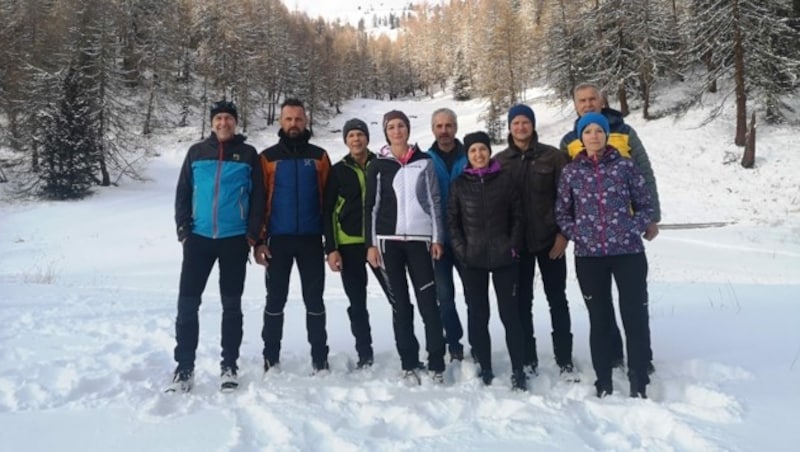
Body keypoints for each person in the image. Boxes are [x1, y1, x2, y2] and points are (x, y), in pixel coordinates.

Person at [559, 82, 659, 373]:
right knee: (601, 308)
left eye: (593, 99)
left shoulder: (626, 132)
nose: (588, 104)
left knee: (633, 305)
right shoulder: (569, 140)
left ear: (602, 102)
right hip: (592, 238)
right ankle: (613, 355)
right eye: (582, 101)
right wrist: (573, 231)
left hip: (626, 234)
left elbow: (644, 172)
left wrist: (651, 216)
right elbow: (564, 188)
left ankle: (642, 360)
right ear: (576, 106)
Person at [170, 100, 265, 393]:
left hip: (234, 240)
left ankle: (229, 365)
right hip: (198, 240)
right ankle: (184, 367)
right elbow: (183, 192)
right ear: (212, 122)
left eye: (228, 118)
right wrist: (184, 229)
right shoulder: (196, 152)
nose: (223, 123)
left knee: (231, 306)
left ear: (236, 122)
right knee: (187, 305)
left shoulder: (249, 155)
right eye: (219, 118)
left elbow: (259, 197)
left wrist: (251, 235)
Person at [365, 110, 447, 384]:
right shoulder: (378, 165)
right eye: (392, 127)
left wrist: (437, 238)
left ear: (408, 130)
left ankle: (436, 363)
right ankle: (409, 362)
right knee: (401, 305)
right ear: (386, 132)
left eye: (401, 126)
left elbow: (435, 201)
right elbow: (372, 207)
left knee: (428, 303)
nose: (397, 131)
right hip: (389, 243)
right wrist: (371, 244)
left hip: (420, 241)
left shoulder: (424, 162)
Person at [494, 104, 576, 378]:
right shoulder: (500, 162)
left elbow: (568, 199)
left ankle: (564, 358)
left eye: (525, 122)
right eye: (515, 122)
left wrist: (564, 235)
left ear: (533, 125)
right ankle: (528, 358)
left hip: (550, 242)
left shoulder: (553, 157)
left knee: (557, 300)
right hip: (518, 248)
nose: (520, 127)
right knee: (522, 304)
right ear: (509, 127)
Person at [254, 98, 331, 374]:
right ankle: (270, 357)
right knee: (275, 300)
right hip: (278, 241)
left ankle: (320, 358)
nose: (294, 124)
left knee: (315, 300)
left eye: (298, 119)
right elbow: (260, 201)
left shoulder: (320, 156)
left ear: (306, 121)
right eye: (288, 119)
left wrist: (330, 243)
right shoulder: (268, 158)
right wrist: (259, 240)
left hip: (311, 240)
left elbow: (328, 202)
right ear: (280, 122)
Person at [447, 131, 527, 391]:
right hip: (474, 260)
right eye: (473, 151)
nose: (478, 155)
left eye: (482, 149)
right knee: (478, 314)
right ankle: (486, 366)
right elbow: (453, 223)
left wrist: (513, 247)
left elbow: (518, 216)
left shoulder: (505, 180)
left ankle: (518, 369)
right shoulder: (459, 184)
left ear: (489, 152)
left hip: (505, 258)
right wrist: (462, 251)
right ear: (467, 156)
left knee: (510, 314)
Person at [322, 118, 388, 369]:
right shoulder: (338, 170)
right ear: (346, 141)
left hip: (380, 241)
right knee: (357, 301)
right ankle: (365, 352)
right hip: (349, 244)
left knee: (397, 297)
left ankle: (408, 348)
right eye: (351, 136)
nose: (356, 139)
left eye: (360, 134)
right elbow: (328, 210)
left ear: (367, 138)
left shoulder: (381, 165)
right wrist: (331, 248)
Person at [425, 108, 467, 362]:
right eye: (439, 126)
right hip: (438, 241)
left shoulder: (470, 155)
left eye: (449, 125)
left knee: (475, 296)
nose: (444, 131)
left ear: (456, 127)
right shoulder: (426, 159)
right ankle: (454, 342)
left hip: (468, 239)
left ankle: (479, 342)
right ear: (433, 129)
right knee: (444, 296)